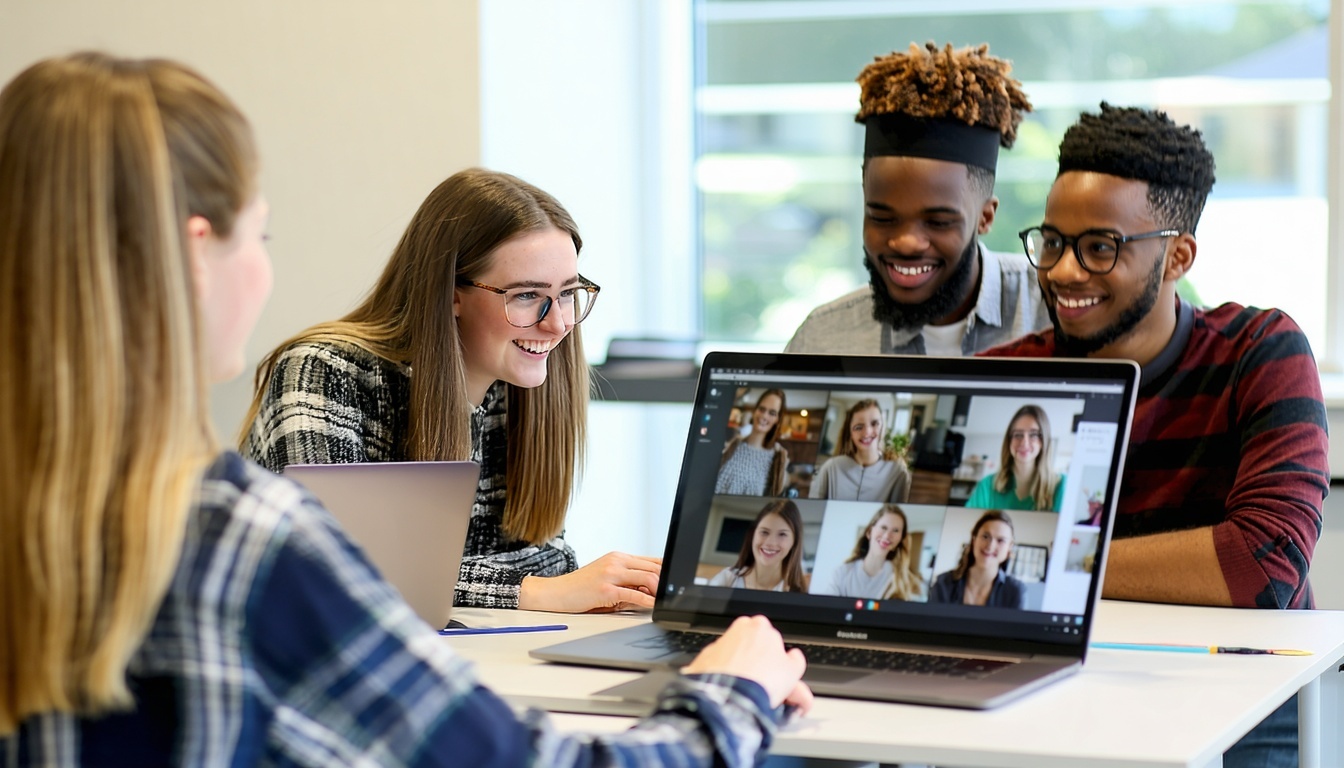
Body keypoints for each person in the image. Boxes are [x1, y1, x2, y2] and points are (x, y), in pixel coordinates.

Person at [0, 51, 812, 766]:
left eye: (568, 297)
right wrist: (731, 692)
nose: (558, 325)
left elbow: (519, 565)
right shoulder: (231, 536)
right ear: (194, 255)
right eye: (262, 238)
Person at [982, 103, 1328, 768]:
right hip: (1061, 686)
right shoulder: (1006, 377)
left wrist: (1052, 564)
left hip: (1247, 689)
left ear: (1177, 256)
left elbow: (1263, 568)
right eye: (1052, 241)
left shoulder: (1259, 352)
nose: (1062, 272)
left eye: (1100, 247)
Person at [240, 167, 661, 613]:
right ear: (451, 294)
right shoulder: (323, 372)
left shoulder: (519, 380)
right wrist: (529, 589)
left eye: (568, 293)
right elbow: (332, 568)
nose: (556, 323)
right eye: (525, 296)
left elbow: (549, 558)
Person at [785, 42, 1049, 356]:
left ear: (985, 217)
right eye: (882, 218)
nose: (907, 243)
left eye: (938, 222)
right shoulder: (822, 340)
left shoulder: (1051, 309)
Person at [966, 404, 1065, 511]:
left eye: (1034, 435)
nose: (1024, 443)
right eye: (1018, 435)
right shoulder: (987, 486)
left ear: (1043, 442)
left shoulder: (1061, 486)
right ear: (1009, 441)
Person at [810, 399, 910, 503]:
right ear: (850, 433)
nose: (867, 432)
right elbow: (814, 506)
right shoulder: (831, 467)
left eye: (874, 423)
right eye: (858, 427)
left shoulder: (897, 472)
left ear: (883, 428)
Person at [819, 505, 924, 600]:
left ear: (900, 540)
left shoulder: (905, 582)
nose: (887, 536)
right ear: (869, 532)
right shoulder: (841, 573)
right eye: (883, 527)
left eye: (896, 530)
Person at [929, 511, 1024, 608]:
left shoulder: (1015, 591)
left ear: (1009, 547)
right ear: (974, 540)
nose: (990, 546)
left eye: (1000, 540)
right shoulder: (943, 583)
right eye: (985, 537)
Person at [709, 500, 808, 592]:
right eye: (764, 532)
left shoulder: (797, 592)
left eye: (782, 534)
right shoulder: (726, 579)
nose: (770, 543)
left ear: (794, 541)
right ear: (753, 535)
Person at [716, 389, 790, 496]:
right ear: (755, 411)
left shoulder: (776, 460)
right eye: (762, 409)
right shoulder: (732, 445)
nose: (764, 416)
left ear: (777, 419)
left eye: (772, 413)